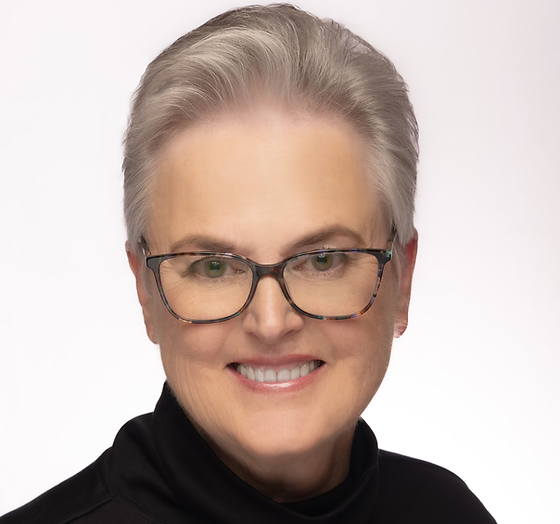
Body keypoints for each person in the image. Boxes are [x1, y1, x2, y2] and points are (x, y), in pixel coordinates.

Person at [1, 4, 496, 523]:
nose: (271, 323)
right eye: (214, 266)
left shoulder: (448, 511)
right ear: (146, 292)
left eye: (322, 260)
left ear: (403, 279)